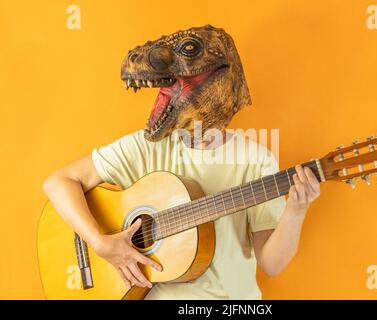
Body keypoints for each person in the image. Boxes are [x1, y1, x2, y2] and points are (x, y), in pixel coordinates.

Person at [42, 25, 321, 299]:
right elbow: (58, 183)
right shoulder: (145, 146)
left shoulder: (255, 159)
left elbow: (271, 264)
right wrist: (99, 242)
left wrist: (296, 211)